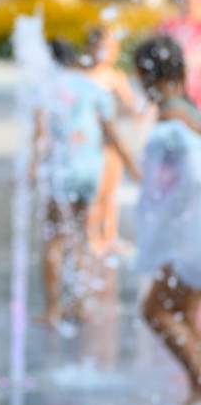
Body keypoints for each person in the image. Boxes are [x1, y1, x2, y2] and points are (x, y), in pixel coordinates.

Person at [33, 40, 139, 327]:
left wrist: (32, 168)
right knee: (81, 235)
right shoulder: (92, 88)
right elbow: (111, 131)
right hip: (89, 170)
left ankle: (53, 308)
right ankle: (79, 304)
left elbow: (40, 135)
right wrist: (131, 165)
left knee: (54, 238)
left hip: (61, 170)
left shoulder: (48, 89)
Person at [134, 36, 201, 405]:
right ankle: (196, 394)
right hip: (192, 230)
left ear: (145, 75)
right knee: (185, 311)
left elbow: (193, 174)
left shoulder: (171, 117)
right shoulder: (186, 108)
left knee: (156, 310)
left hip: (191, 233)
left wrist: (170, 221)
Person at [83, 27, 140, 255]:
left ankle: (110, 235)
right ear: (92, 48)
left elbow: (131, 108)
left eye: (113, 48)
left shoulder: (116, 77)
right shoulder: (85, 76)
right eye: (105, 47)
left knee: (111, 191)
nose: (109, 52)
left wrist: (131, 107)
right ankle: (92, 235)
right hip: (90, 142)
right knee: (95, 193)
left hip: (111, 141)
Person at [161, 0, 201, 109]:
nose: (190, 5)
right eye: (187, 1)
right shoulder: (169, 27)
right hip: (174, 92)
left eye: (194, 2)